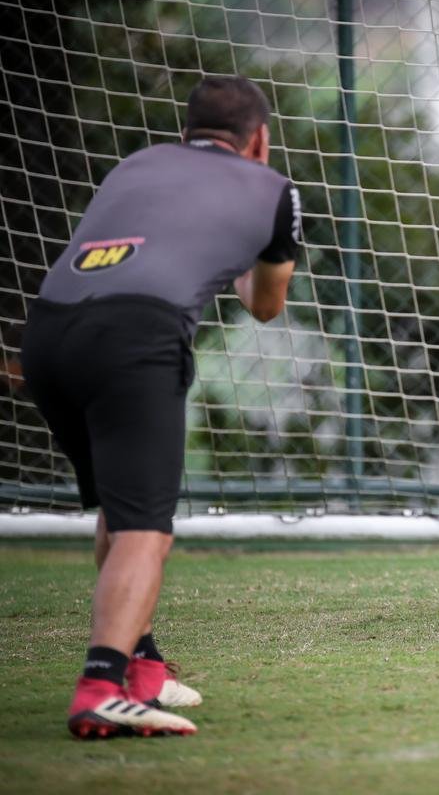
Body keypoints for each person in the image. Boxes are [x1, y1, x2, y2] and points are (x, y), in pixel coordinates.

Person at [20, 75, 299, 737]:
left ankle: (143, 669)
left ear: (185, 133)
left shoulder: (137, 163)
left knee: (122, 512)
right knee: (147, 526)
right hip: (136, 336)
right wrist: (238, 253)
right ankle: (99, 687)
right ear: (259, 140)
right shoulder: (276, 190)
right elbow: (265, 305)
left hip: (48, 334)